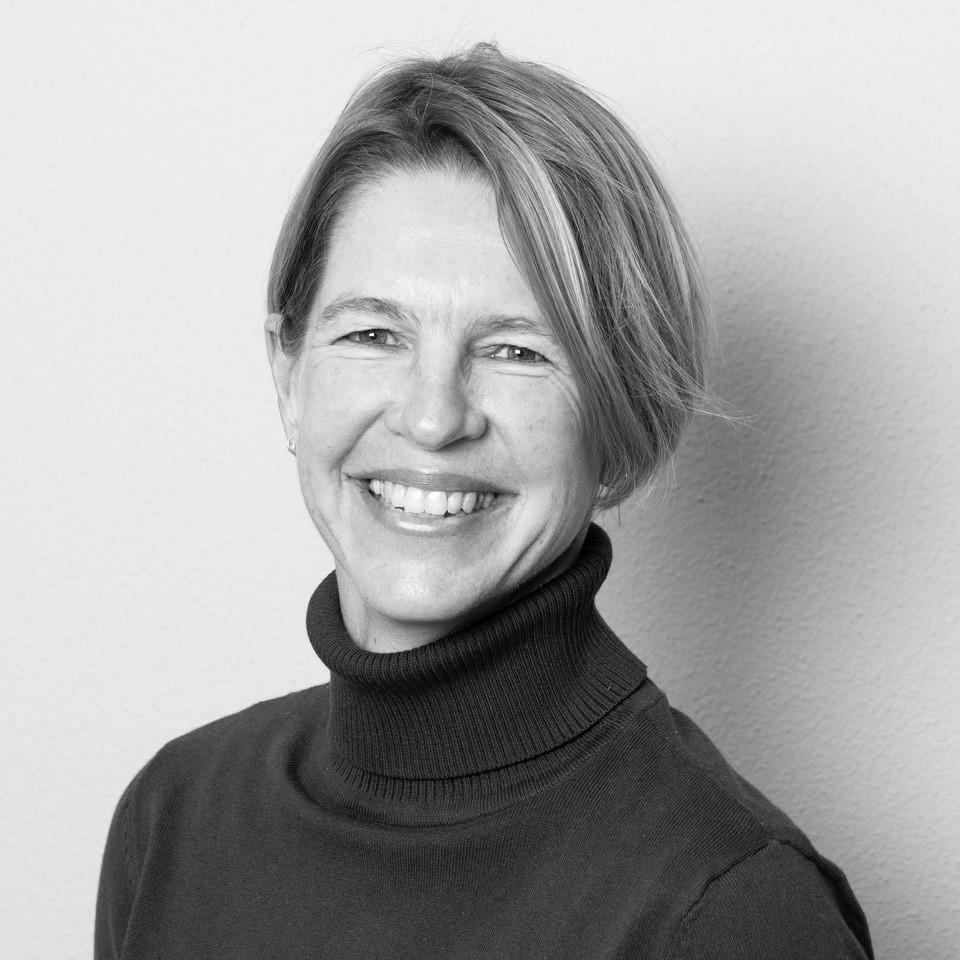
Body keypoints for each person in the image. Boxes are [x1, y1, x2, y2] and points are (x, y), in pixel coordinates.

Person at [94, 44, 873, 959]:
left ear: (619, 418)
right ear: (287, 377)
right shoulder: (175, 818)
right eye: (373, 334)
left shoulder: (733, 908)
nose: (433, 418)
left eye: (516, 351)